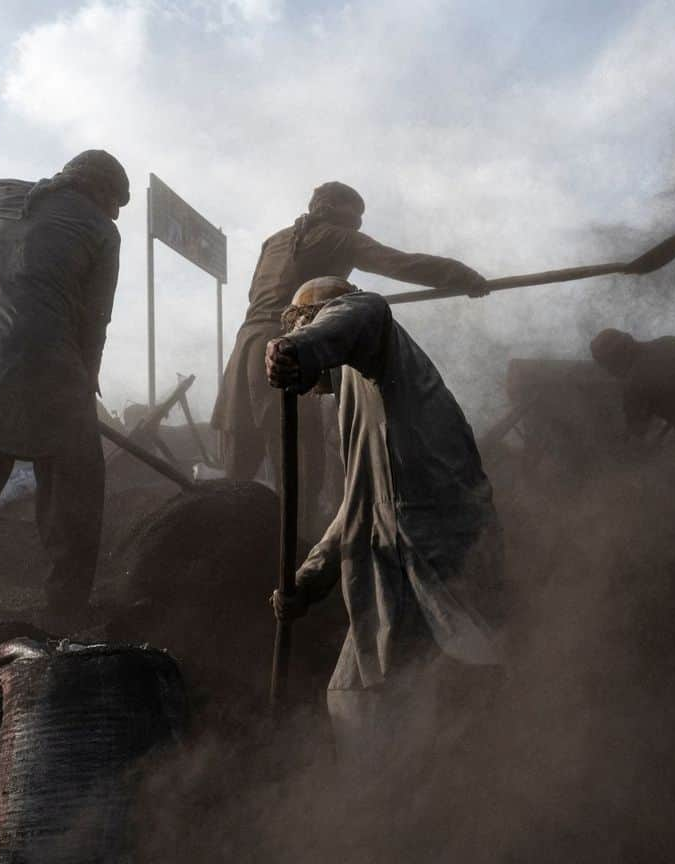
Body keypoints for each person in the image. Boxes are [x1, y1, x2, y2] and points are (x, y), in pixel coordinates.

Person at [266, 276, 503, 769]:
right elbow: (357, 508)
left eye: (302, 319)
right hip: (390, 558)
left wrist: (297, 346)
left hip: (438, 549)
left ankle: (486, 793)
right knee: (355, 694)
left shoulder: (380, 347)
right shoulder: (354, 397)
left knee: (464, 673)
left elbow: (364, 308)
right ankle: (379, 813)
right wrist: (308, 580)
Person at [0, 150, 129, 623]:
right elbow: (95, 319)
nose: (114, 214)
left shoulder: (0, 192)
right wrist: (85, 383)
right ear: (102, 191)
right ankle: (66, 605)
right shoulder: (103, 231)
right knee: (77, 480)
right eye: (115, 203)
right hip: (47, 356)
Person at [211, 181, 487, 495]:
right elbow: (402, 264)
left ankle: (235, 535)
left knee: (236, 476)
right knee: (302, 473)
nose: (359, 222)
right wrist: (464, 276)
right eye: (356, 214)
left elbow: (254, 295)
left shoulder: (273, 241)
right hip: (288, 349)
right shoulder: (340, 237)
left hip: (245, 348)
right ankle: (299, 542)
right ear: (337, 209)